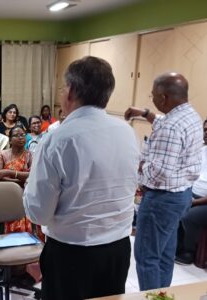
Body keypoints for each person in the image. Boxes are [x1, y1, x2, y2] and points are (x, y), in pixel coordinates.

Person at [24, 56, 140, 300]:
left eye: (64, 87)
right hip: (117, 248)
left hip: (72, 253)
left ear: (71, 91)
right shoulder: (127, 133)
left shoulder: (57, 139)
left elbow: (39, 213)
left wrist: (28, 187)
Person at [124, 72, 203, 290]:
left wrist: (139, 164)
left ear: (164, 98)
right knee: (165, 254)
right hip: (182, 195)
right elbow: (164, 123)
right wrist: (146, 114)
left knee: (147, 257)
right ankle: (161, 296)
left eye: (154, 96)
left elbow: (159, 173)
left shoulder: (170, 127)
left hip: (161, 200)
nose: (153, 100)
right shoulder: (190, 115)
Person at [176, 119, 207, 265]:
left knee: (189, 216)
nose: (206, 133)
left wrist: (193, 202)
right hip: (192, 193)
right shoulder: (201, 150)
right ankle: (175, 247)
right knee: (172, 206)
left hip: (204, 201)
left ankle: (189, 251)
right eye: (205, 129)